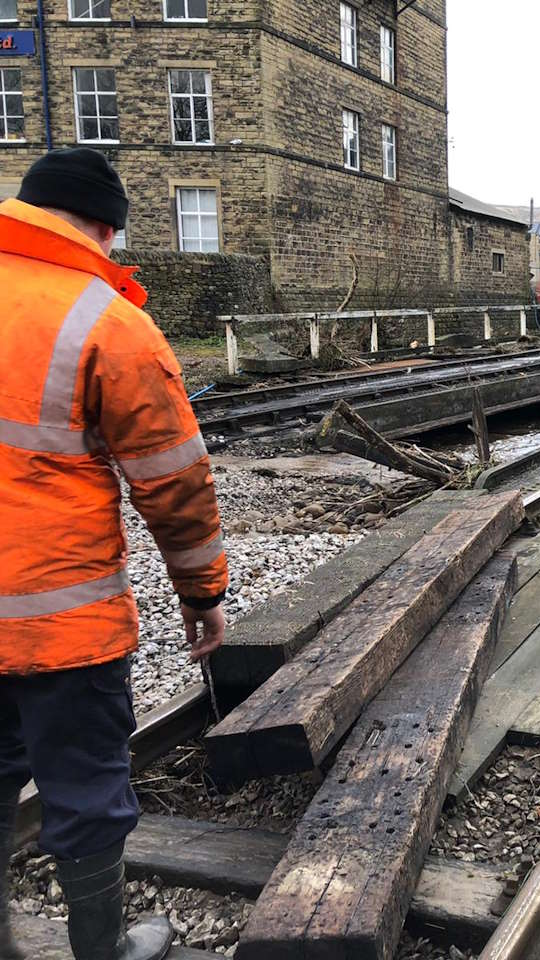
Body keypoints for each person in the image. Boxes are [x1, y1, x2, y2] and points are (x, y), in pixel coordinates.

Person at [0, 149, 228, 960]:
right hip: (61, 625)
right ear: (105, 227)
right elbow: (174, 483)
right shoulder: (105, 320)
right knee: (86, 790)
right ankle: (101, 949)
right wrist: (202, 595)